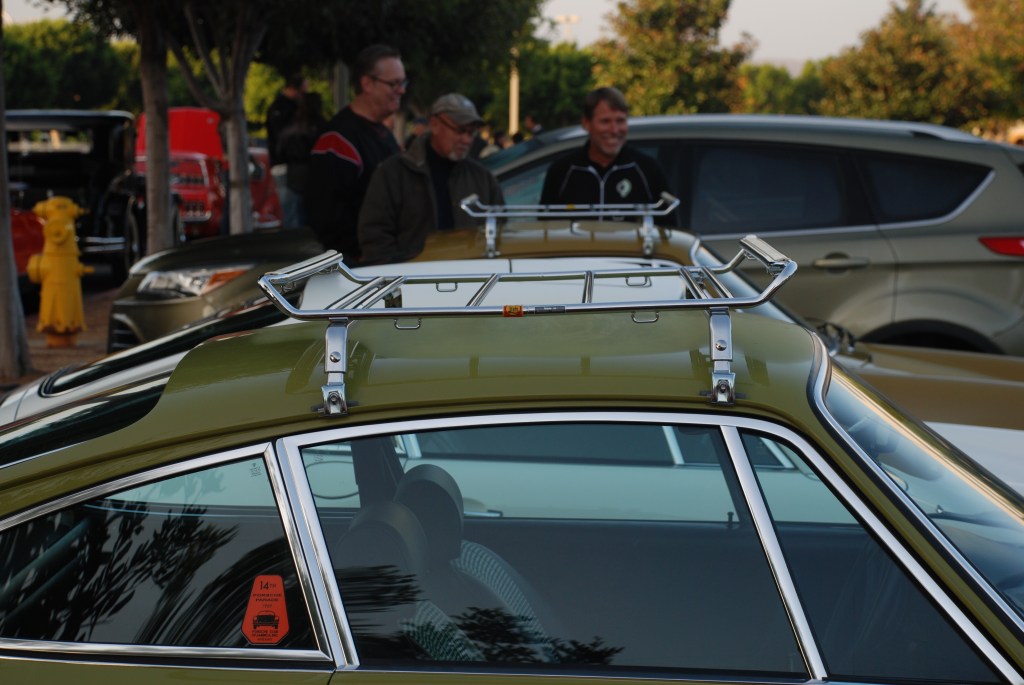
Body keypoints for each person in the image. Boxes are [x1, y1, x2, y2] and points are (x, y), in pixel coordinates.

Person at [358, 93, 504, 265]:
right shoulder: (393, 173)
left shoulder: (483, 178)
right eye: (460, 130)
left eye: (471, 133)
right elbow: (374, 235)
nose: (466, 139)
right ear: (434, 124)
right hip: (410, 282)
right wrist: (396, 279)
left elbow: (499, 231)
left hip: (471, 282)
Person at [306, 44, 405, 263]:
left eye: (402, 82)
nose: (402, 90)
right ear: (367, 83)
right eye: (394, 83)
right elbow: (326, 217)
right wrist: (358, 256)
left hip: (385, 261)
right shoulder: (337, 141)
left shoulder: (385, 136)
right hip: (360, 270)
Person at [539, 86, 668, 210]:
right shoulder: (562, 172)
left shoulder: (648, 170)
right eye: (605, 121)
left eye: (620, 121)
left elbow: (669, 228)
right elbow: (545, 227)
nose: (614, 130)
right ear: (586, 123)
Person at [276, 92, 326, 228]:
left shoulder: (291, 128)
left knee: (293, 223)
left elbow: (280, 153)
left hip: (293, 178)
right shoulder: (323, 128)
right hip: (315, 179)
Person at [265, 72, 306, 169]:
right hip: (283, 160)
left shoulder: (288, 105)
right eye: (302, 91)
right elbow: (279, 134)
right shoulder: (280, 107)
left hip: (288, 159)